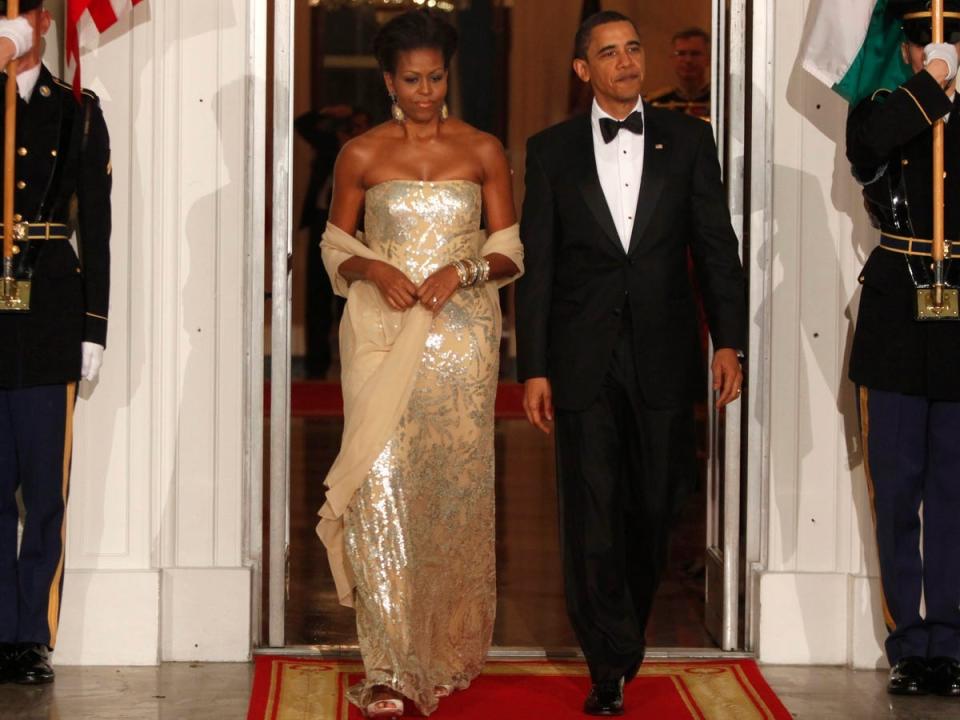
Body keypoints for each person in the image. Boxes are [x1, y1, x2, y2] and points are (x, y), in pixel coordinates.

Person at [516, 11, 745, 716]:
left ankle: (625, 632)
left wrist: (729, 339)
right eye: (609, 53)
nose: (626, 62)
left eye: (633, 49)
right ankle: (608, 660)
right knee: (589, 511)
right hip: (581, 357)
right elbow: (540, 267)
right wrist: (534, 367)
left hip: (664, 354)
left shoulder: (689, 139)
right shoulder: (550, 150)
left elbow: (714, 244)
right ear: (583, 69)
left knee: (653, 506)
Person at [315, 9, 523, 718]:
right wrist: (375, 270)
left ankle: (438, 648)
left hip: (461, 341)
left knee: (446, 496)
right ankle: (389, 667)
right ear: (388, 81)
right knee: (379, 489)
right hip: (381, 337)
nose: (427, 91)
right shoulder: (361, 155)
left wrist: (462, 269)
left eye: (436, 77)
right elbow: (333, 246)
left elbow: (510, 249)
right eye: (413, 80)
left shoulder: (483, 150)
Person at [846, 0, 960, 698]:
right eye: (923, 43)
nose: (931, 53)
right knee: (897, 487)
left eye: (945, 44)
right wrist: (933, 88)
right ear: (909, 50)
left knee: (953, 487)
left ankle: (949, 639)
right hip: (896, 313)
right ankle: (908, 643)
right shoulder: (882, 107)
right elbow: (872, 148)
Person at [0, 1, 111, 685]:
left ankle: (27, 636)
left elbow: (95, 226)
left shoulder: (77, 110)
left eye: (16, 11)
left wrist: (94, 325)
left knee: (44, 487)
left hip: (46, 308)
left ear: (41, 21)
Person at [294, 105, 370, 377]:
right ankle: (316, 367)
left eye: (359, 126)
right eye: (350, 127)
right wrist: (332, 112)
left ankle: (351, 363)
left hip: (358, 232)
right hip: (321, 224)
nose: (353, 132)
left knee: (349, 300)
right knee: (316, 297)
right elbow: (302, 125)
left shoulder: (372, 153)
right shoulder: (329, 148)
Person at [647, 27, 711, 120]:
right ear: (672, 59)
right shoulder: (656, 104)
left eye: (695, 54)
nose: (688, 60)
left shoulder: (722, 103)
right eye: (681, 54)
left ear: (709, 59)